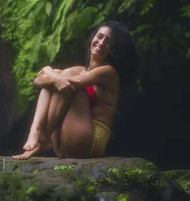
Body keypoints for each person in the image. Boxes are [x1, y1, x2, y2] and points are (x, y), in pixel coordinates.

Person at [12, 21, 138, 160]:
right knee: (57, 80)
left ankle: (44, 136)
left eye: (108, 41)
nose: (101, 43)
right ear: (92, 38)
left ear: (114, 49)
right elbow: (37, 81)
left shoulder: (109, 72)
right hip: (63, 141)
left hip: (90, 142)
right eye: (100, 36)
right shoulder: (77, 70)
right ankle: (36, 133)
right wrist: (53, 75)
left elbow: (68, 85)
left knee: (65, 81)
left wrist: (48, 71)